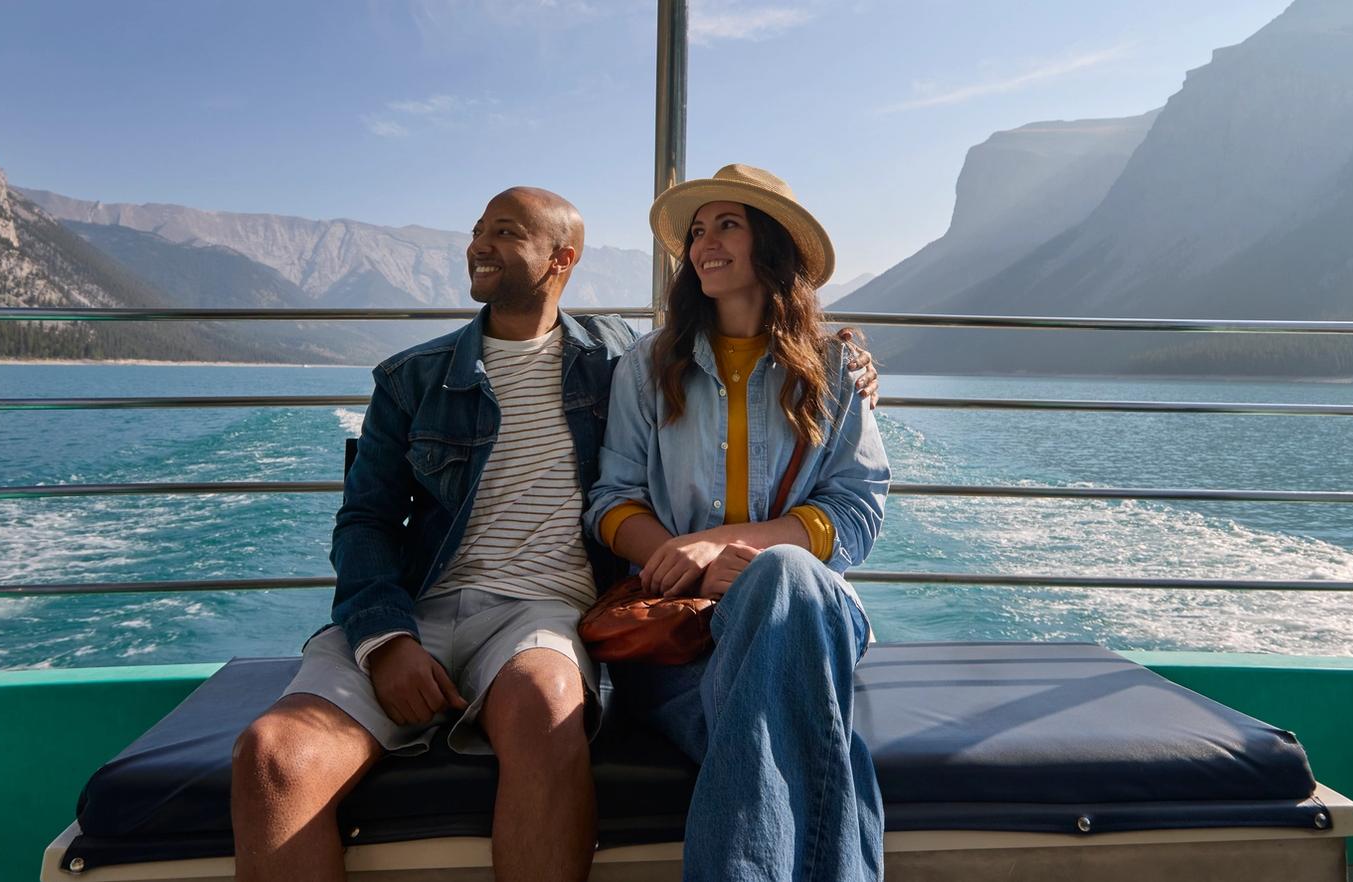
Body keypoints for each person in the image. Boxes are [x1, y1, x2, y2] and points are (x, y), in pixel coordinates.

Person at [230, 185, 880, 882]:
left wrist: (841, 362)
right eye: (697, 231)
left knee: (759, 594)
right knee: (272, 757)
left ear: (561, 259)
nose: (478, 245)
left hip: (553, 615)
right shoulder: (432, 378)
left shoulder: (618, 359)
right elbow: (369, 521)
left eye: (505, 232)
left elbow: (856, 501)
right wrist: (385, 638)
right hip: (453, 608)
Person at [586, 164, 891, 881]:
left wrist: (727, 548)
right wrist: (682, 561)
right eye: (698, 231)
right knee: (790, 734)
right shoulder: (647, 365)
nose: (704, 244)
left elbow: (857, 508)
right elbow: (611, 500)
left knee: (784, 575)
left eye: (728, 225)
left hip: (805, 616)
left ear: (773, 245)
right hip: (680, 633)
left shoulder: (834, 368)